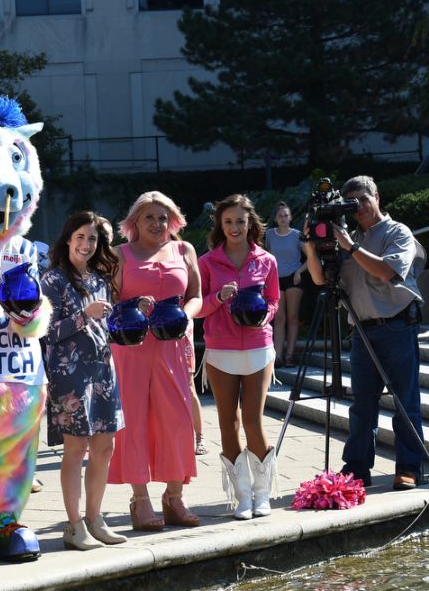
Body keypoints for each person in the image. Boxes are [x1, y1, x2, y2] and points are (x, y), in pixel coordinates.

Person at [301, 175, 426, 490]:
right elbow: (320, 280)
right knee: (362, 405)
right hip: (361, 330)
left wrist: (352, 246)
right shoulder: (345, 237)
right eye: (351, 203)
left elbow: (388, 271)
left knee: (404, 402)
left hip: (397, 325)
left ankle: (409, 468)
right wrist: (311, 248)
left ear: (377, 197)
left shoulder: (397, 232)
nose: (358, 209)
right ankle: (356, 468)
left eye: (362, 200)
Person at [108, 192, 203, 530]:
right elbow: (108, 301)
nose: (157, 224)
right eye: (149, 217)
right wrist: (133, 309)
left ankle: (174, 496)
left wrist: (187, 317)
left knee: (177, 418)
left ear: (173, 220)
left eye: (163, 217)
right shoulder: (119, 255)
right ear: (135, 222)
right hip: (131, 347)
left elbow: (196, 296)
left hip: (172, 344)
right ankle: (140, 501)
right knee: (133, 419)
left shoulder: (184, 250)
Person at [39, 211, 127, 550]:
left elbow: (103, 324)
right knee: (76, 449)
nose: (87, 245)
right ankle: (74, 526)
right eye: (80, 237)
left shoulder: (98, 278)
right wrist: (82, 317)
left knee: (105, 446)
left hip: (102, 370)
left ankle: (95, 518)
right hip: (69, 375)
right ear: (67, 239)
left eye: (92, 239)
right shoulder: (52, 280)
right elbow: (44, 331)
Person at [196, 194, 281, 520]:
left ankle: (263, 494)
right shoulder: (206, 263)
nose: (234, 227)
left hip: (259, 347)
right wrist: (218, 297)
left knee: (252, 420)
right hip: (220, 349)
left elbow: (273, 300)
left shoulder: (266, 261)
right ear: (220, 224)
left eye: (240, 221)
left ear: (251, 224)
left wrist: (266, 315)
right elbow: (198, 307)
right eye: (228, 221)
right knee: (227, 422)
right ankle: (241, 495)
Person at [265, 201, 311, 367]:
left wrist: (299, 271)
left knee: (292, 317)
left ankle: (290, 355)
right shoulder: (270, 234)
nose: (283, 219)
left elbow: (311, 257)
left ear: (290, 217)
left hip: (294, 278)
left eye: (286, 215)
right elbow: (267, 256)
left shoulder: (297, 235)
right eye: (280, 216)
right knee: (279, 318)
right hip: (276, 279)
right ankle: (277, 356)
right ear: (276, 219)